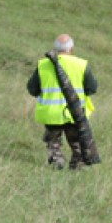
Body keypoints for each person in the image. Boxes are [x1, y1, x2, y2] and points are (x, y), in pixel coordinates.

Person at [27, 34, 98, 170]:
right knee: (76, 143)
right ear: (71, 48)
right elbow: (92, 88)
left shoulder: (43, 64)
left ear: (55, 49)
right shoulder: (81, 64)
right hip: (74, 113)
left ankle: (56, 161)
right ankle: (77, 166)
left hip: (51, 113)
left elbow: (32, 89)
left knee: (53, 142)